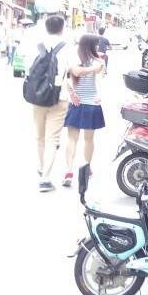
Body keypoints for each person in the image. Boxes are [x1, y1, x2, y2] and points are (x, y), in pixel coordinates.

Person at [29, 14, 77, 192]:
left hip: (37, 96)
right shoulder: (67, 47)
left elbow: (28, 69)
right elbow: (73, 71)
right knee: (52, 138)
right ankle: (45, 178)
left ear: (46, 27)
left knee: (39, 136)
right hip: (59, 96)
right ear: (62, 28)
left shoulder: (36, 45)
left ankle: (42, 167)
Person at [63, 34, 106, 187]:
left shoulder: (75, 59)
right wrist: (96, 66)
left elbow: (71, 75)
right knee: (88, 139)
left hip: (78, 103)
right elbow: (76, 73)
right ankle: (85, 168)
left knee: (72, 139)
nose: (98, 47)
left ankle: (70, 171)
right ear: (90, 45)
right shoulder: (98, 61)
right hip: (90, 104)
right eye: (96, 44)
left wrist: (72, 92)